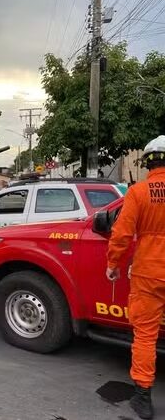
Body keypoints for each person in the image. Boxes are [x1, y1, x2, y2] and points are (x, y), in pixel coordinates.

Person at [106, 135, 165, 419]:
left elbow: (122, 233)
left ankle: (142, 398)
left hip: (149, 273)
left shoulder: (139, 192)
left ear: (148, 162)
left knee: (145, 336)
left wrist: (113, 263)